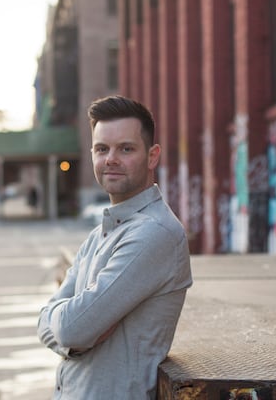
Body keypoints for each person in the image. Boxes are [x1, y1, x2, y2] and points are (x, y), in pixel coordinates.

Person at [37, 95, 192, 399]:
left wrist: (73, 329)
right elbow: (46, 321)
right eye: (102, 149)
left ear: (152, 156)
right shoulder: (100, 235)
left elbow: (72, 330)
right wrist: (73, 328)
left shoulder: (154, 234)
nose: (111, 159)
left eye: (126, 148)